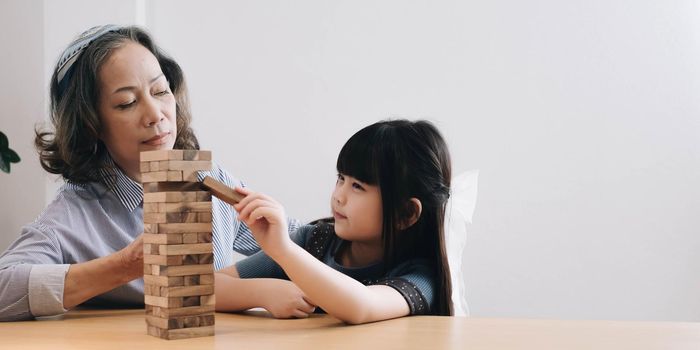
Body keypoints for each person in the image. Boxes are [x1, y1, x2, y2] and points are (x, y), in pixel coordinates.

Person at [0, 25, 299, 321]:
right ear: (91, 124)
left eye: (160, 90)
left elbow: (315, 245)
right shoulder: (72, 215)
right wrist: (124, 266)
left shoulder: (206, 177)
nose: (156, 114)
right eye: (127, 103)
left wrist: (284, 238)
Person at [215, 119, 454, 324]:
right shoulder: (314, 241)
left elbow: (361, 306)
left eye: (357, 186)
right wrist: (261, 292)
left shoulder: (421, 275)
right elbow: (206, 287)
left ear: (406, 214)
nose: (338, 195)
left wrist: (283, 251)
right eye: (341, 178)